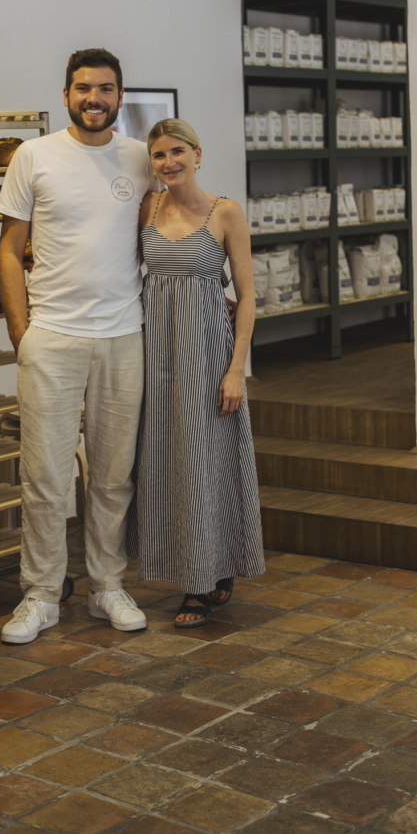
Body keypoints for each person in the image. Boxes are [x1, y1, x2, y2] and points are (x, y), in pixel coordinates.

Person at [0, 47, 153, 644]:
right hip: (53, 338)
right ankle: (40, 594)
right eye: (83, 88)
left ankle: (106, 585)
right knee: (45, 476)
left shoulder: (142, 159)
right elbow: (10, 250)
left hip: (123, 336)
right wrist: (22, 332)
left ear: (119, 96)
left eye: (106, 89)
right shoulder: (33, 154)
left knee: (114, 476)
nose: (95, 98)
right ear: (66, 95)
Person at [128, 117, 265, 628]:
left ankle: (203, 581)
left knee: (208, 462)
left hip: (208, 353)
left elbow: (248, 296)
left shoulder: (225, 212)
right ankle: (194, 567)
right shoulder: (147, 207)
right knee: (167, 460)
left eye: (178, 151)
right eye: (160, 155)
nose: (169, 162)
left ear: (198, 154)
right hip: (156, 352)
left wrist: (236, 370)